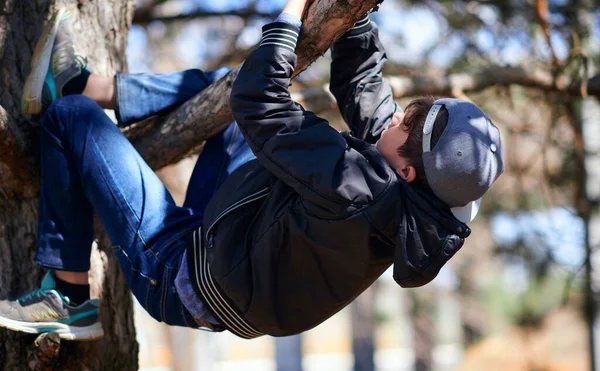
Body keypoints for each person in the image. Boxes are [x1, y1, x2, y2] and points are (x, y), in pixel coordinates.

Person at [0, 0, 503, 341]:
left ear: (410, 171)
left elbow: (259, 99)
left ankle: (67, 297)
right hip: (235, 243)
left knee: (71, 121)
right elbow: (364, 89)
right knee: (229, 85)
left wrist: (289, 15)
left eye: (405, 122)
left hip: (179, 275)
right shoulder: (417, 194)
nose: (395, 114)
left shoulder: (361, 189)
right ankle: (87, 83)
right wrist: (357, 15)